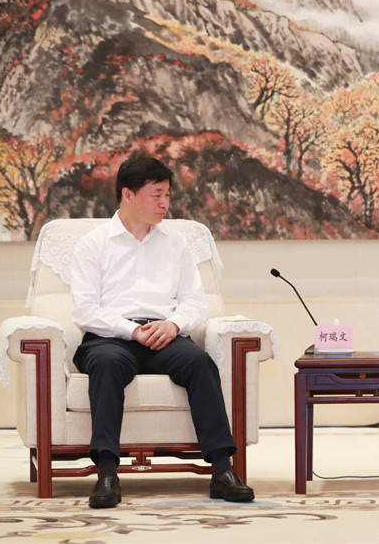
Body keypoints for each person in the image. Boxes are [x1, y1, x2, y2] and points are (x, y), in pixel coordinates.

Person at [70, 154, 254, 508]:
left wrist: (173, 325)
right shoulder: (93, 244)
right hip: (110, 337)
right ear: (127, 194)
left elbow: (194, 301)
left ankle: (222, 469)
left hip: (164, 335)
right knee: (107, 365)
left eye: (167, 194)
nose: (165, 203)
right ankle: (107, 473)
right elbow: (84, 310)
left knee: (200, 364)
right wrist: (132, 331)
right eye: (156, 194)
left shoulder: (176, 243)